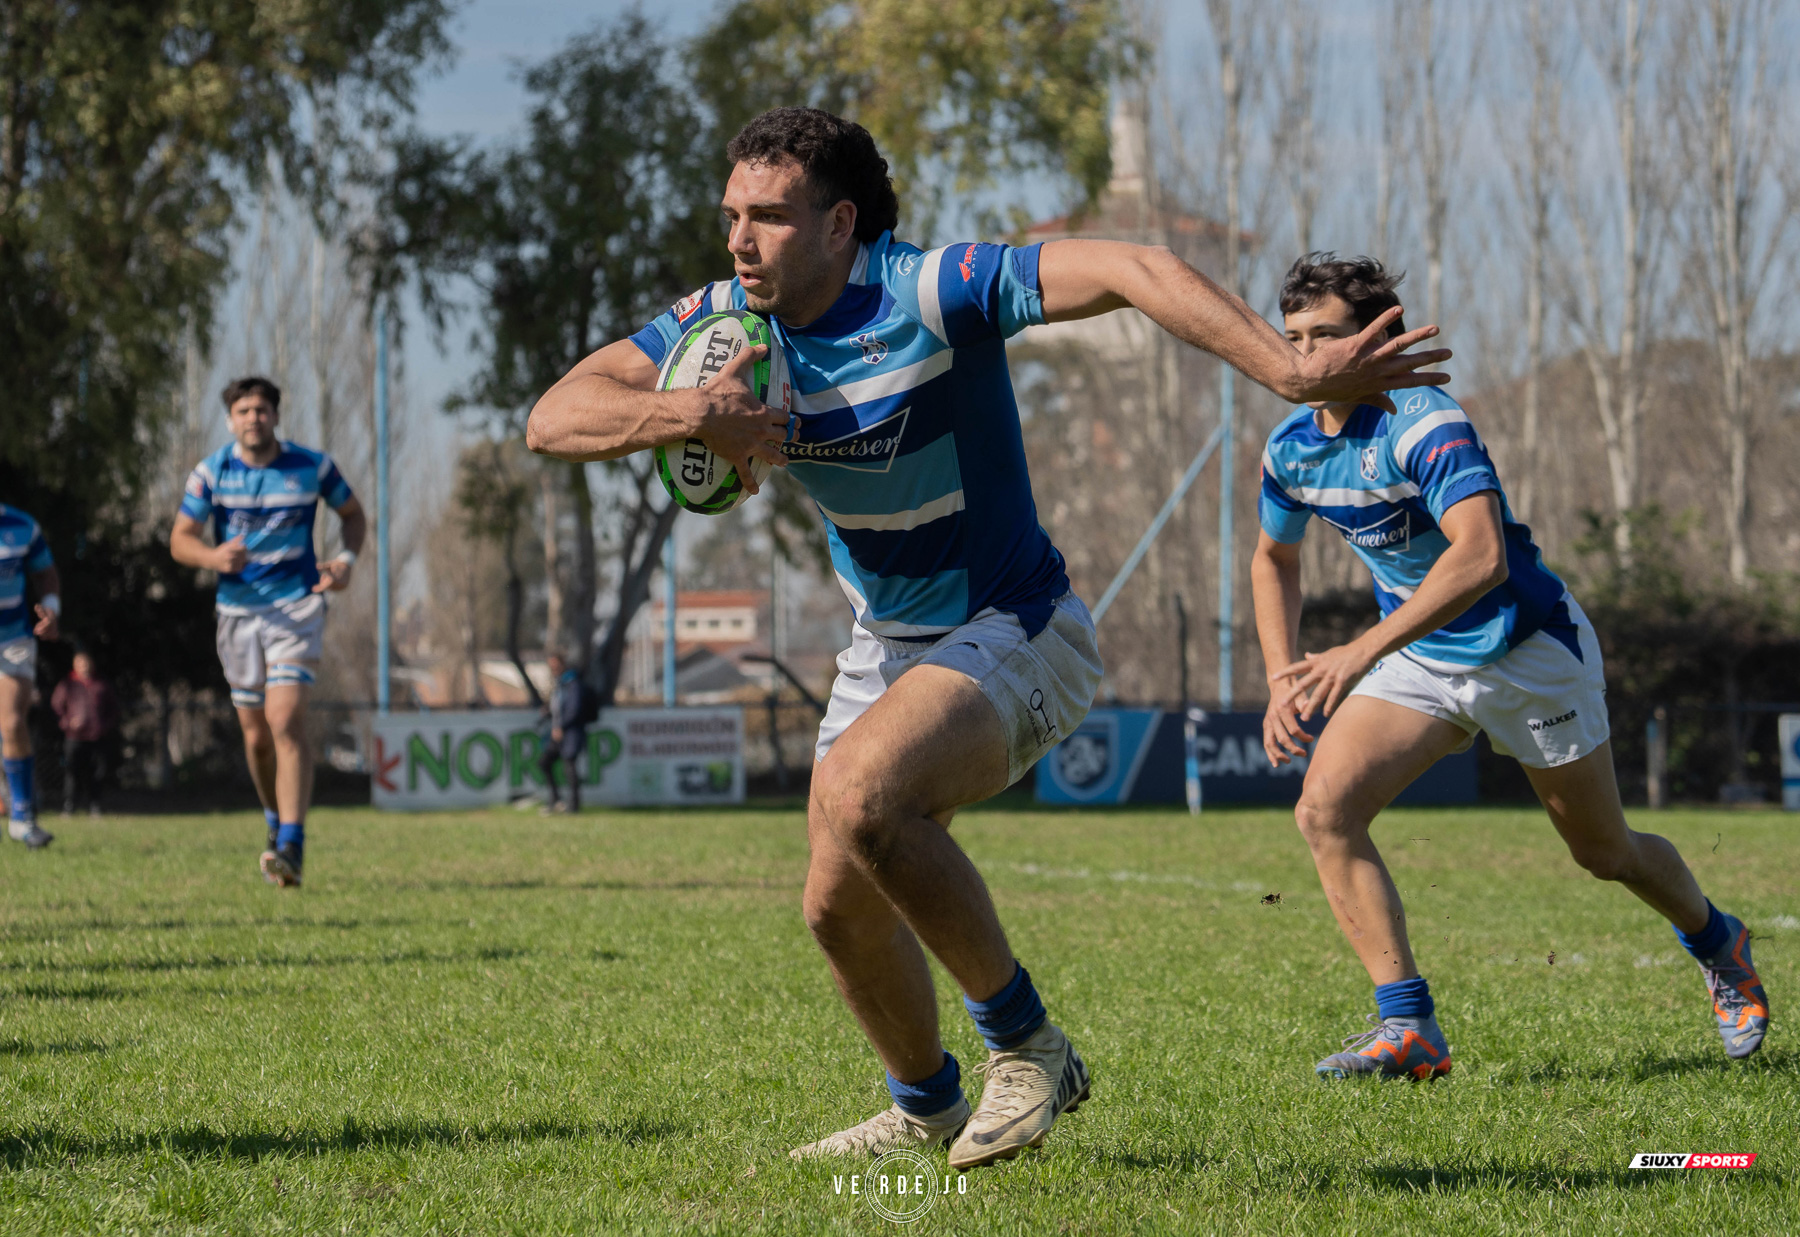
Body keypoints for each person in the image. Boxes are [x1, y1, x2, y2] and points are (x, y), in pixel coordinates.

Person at [527, 109, 1449, 1167]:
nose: (739, 239)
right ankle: (925, 1105)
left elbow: (1135, 266)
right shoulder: (729, 320)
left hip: (1017, 624)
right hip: (888, 644)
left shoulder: (933, 289)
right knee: (835, 907)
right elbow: (554, 415)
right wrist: (687, 415)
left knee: (861, 793)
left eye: (769, 217)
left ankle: (1030, 1048)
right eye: (731, 214)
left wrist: (1288, 375)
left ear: (838, 224)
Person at [1252, 253, 1769, 1078]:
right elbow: (1273, 557)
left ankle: (1718, 938)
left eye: (1325, 336)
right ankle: (1409, 1026)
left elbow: (1482, 558)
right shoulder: (1291, 448)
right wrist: (1283, 674)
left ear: (1378, 339)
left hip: (1527, 651)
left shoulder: (1424, 423)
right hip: (1421, 659)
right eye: (1292, 339)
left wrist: (1353, 653)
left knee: (1603, 852)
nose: (1305, 357)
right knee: (1325, 810)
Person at [170, 376, 367, 889]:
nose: (253, 418)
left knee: (285, 722)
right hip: (238, 615)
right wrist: (212, 556)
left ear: (276, 416)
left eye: (261, 409)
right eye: (243, 410)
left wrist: (345, 561)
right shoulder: (211, 472)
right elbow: (180, 541)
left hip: (297, 608)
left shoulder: (312, 466)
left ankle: (293, 846)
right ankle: (275, 822)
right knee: (256, 738)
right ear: (230, 419)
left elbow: (353, 515)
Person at [0, 503, 60, 849]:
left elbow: (46, 574)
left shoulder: (22, 525)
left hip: (13, 638)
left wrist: (52, 610)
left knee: (11, 722)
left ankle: (22, 816)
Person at [52, 647, 120, 817]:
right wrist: (68, 723)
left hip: (97, 736)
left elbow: (114, 709)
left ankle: (95, 805)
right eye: (80, 663)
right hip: (74, 737)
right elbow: (56, 707)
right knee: (72, 771)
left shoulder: (101, 684)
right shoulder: (67, 684)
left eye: (86, 662)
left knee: (97, 772)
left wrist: (104, 725)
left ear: (92, 664)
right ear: (74, 665)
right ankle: (69, 806)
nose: (83, 666)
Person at [538, 651, 586, 814]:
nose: (553, 668)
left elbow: (574, 709)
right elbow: (559, 709)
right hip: (557, 733)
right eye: (551, 666)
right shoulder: (559, 684)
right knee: (544, 762)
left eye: (555, 665)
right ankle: (555, 800)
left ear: (562, 664)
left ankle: (574, 806)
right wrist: (548, 713)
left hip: (570, 733)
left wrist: (562, 727)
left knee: (569, 766)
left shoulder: (572, 683)